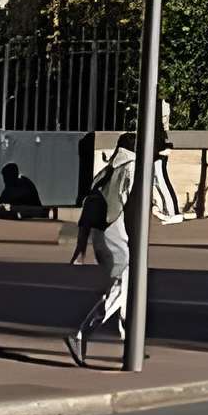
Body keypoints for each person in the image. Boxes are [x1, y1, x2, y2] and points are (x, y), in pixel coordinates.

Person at [64, 132, 135, 364]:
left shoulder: (104, 172)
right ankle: (82, 334)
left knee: (127, 292)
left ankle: (130, 347)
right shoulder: (131, 168)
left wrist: (81, 247)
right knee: (122, 288)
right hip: (117, 234)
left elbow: (88, 210)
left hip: (100, 237)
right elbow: (132, 201)